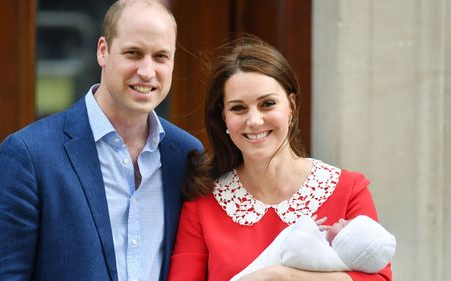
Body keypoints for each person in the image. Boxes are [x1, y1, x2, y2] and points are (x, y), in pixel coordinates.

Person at [0, 1, 202, 280]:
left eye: (160, 57)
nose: (147, 71)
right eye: (133, 53)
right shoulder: (28, 156)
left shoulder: (186, 156)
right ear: (103, 51)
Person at [167, 35, 392, 281]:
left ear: (291, 107)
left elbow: (379, 278)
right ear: (224, 118)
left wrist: (281, 276)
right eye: (238, 108)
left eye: (267, 104)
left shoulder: (348, 190)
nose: (254, 121)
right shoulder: (202, 205)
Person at [230, 215, 396, 281]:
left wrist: (306, 224)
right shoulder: (330, 258)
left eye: (346, 225)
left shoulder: (323, 257)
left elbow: (294, 250)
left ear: (346, 243)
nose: (342, 219)